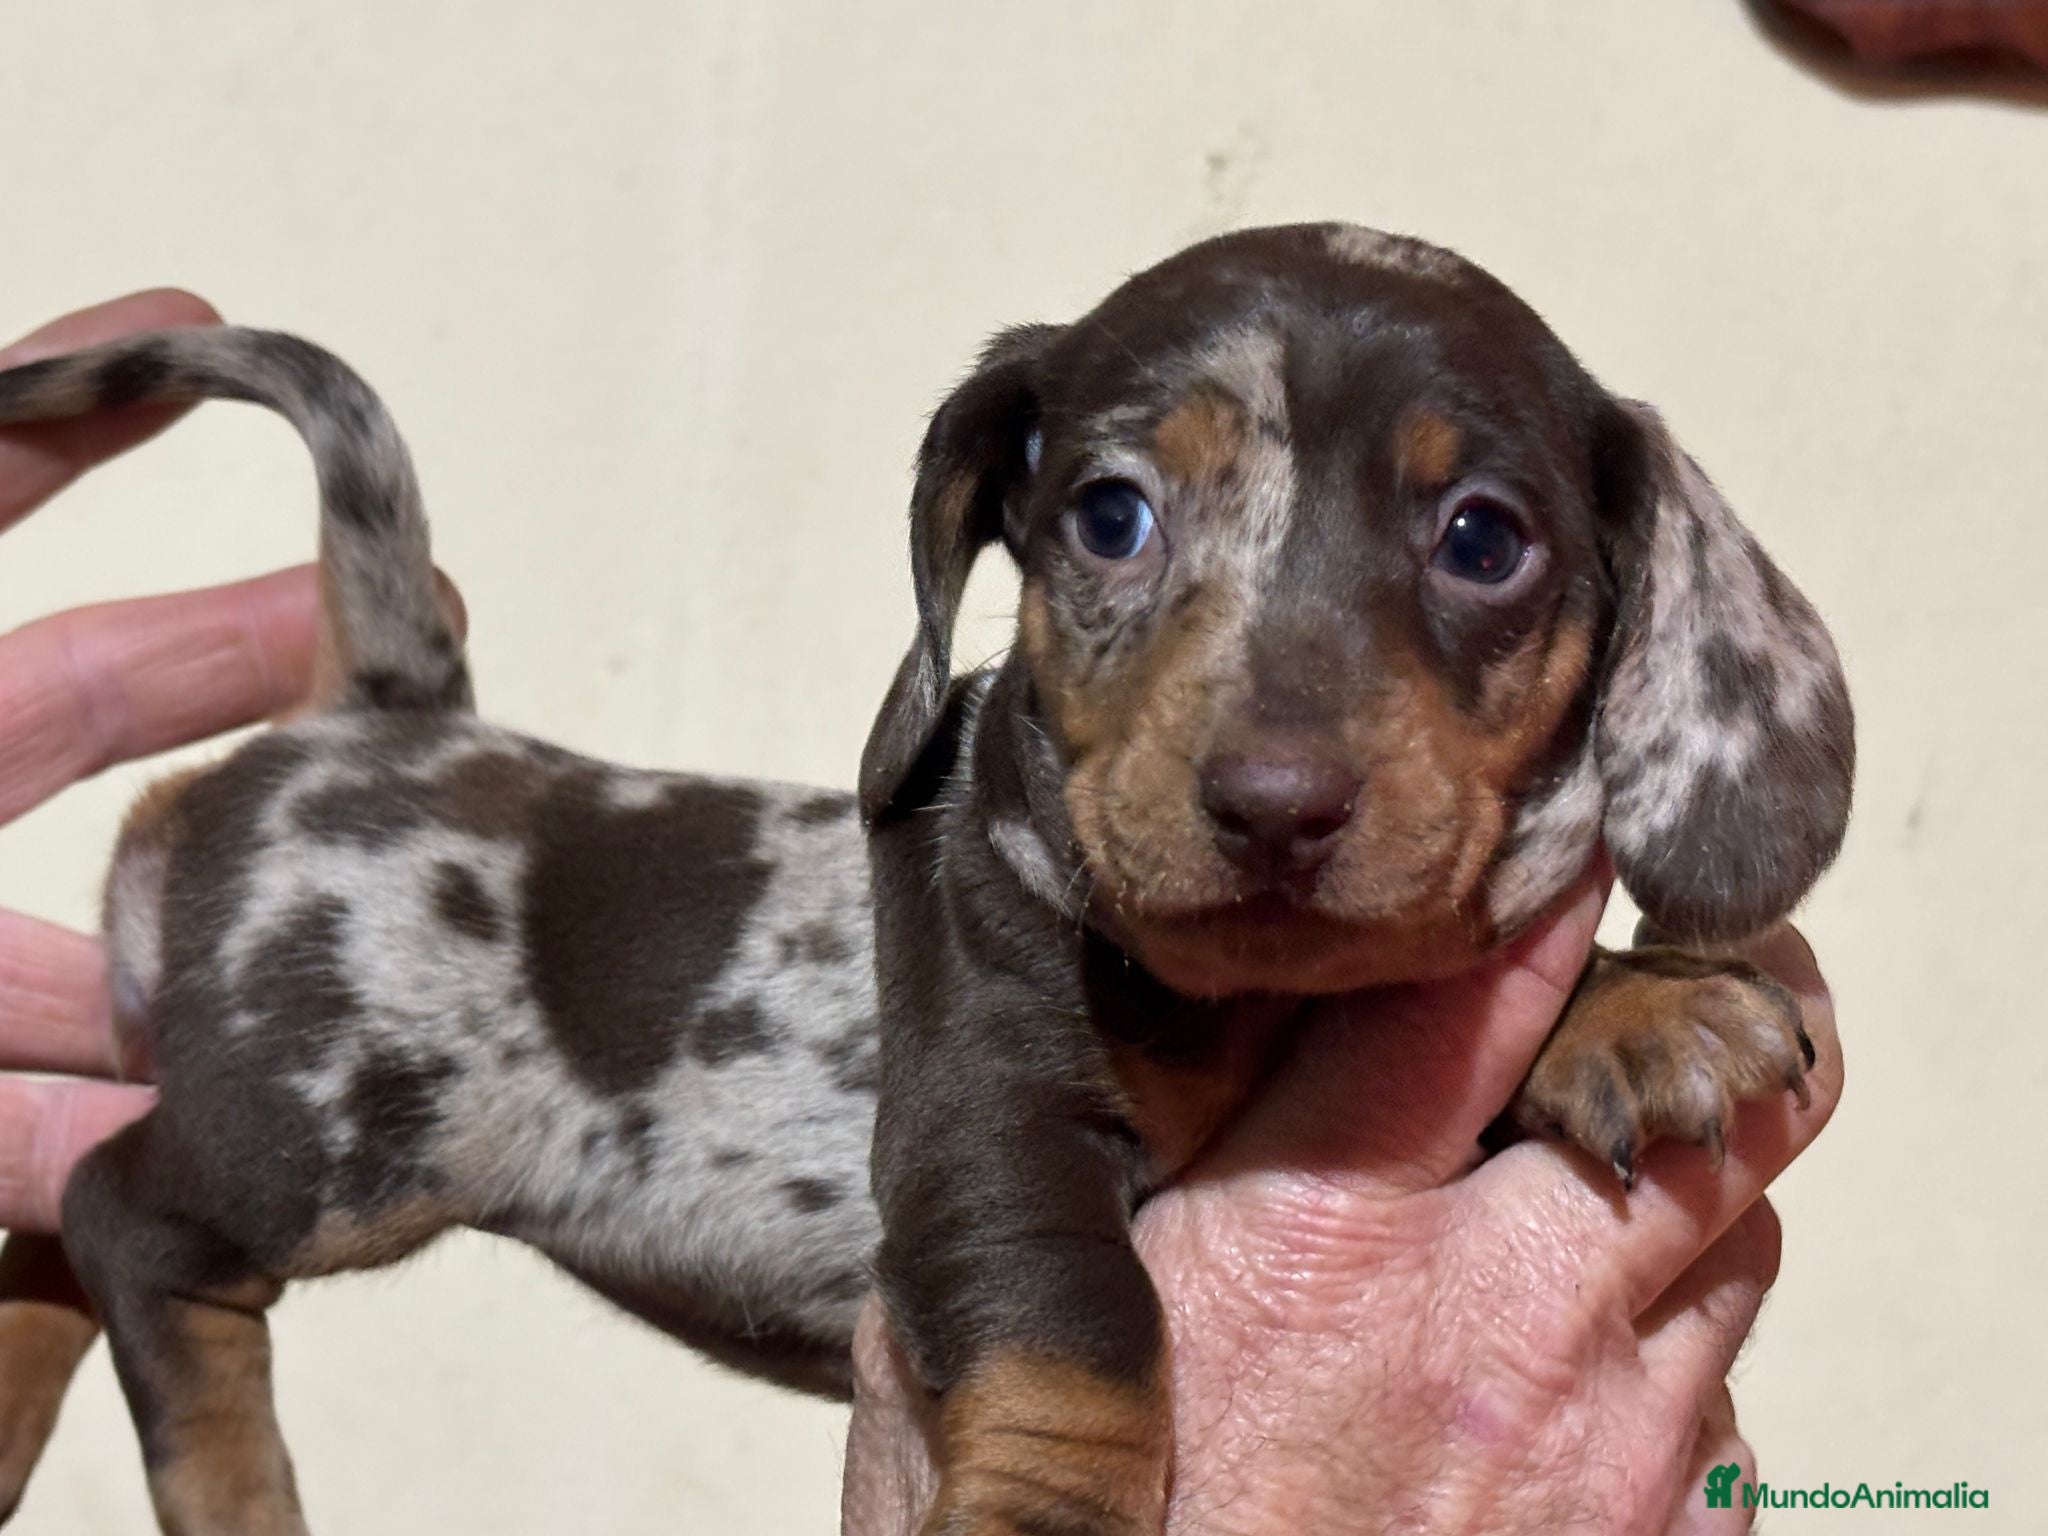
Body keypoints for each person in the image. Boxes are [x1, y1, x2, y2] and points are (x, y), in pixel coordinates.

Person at [0, 293, 1842, 1534]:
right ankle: (150, 1259)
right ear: (993, 559)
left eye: (1476, 542)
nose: (1276, 767)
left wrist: (1589, 1008)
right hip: (427, 892)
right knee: (286, 1182)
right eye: (1118, 521)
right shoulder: (1024, 894)